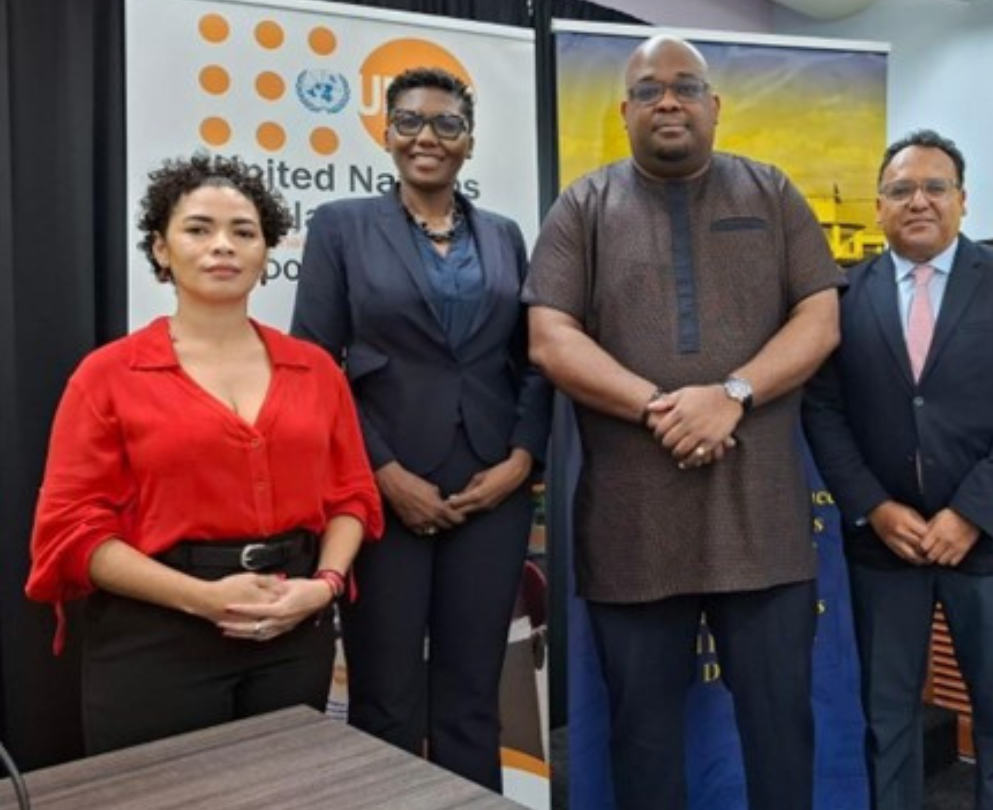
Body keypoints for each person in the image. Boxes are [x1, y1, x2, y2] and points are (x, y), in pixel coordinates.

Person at [523, 34, 844, 810]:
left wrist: (728, 395)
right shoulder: (584, 206)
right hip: (633, 528)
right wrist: (656, 405)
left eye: (685, 87)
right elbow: (550, 337)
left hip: (761, 530)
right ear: (624, 110)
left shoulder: (771, 192)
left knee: (780, 735)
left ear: (715, 106)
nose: (668, 101)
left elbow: (820, 318)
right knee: (643, 742)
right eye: (648, 90)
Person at [26, 153, 384, 755]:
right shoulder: (108, 376)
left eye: (243, 232)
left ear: (266, 252)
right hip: (157, 635)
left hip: (293, 626)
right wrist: (204, 598)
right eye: (198, 229)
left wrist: (323, 586)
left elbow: (352, 495)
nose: (223, 246)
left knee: (289, 794)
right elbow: (72, 533)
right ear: (161, 249)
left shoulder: (316, 369)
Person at [291, 67, 551, 789]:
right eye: (408, 121)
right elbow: (316, 364)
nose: (426, 137)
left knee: (473, 696)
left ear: (469, 142)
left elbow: (533, 360)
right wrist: (381, 473)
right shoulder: (341, 227)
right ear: (385, 132)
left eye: (445, 124)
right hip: (383, 491)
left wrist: (522, 459)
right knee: (387, 697)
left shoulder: (503, 235)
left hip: (490, 490)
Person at [803, 130, 993, 810]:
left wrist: (971, 513)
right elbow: (823, 410)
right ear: (879, 205)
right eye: (899, 190)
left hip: (991, 543)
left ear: (962, 200)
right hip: (883, 546)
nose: (917, 201)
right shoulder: (842, 291)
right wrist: (875, 507)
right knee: (885, 720)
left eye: (934, 187)